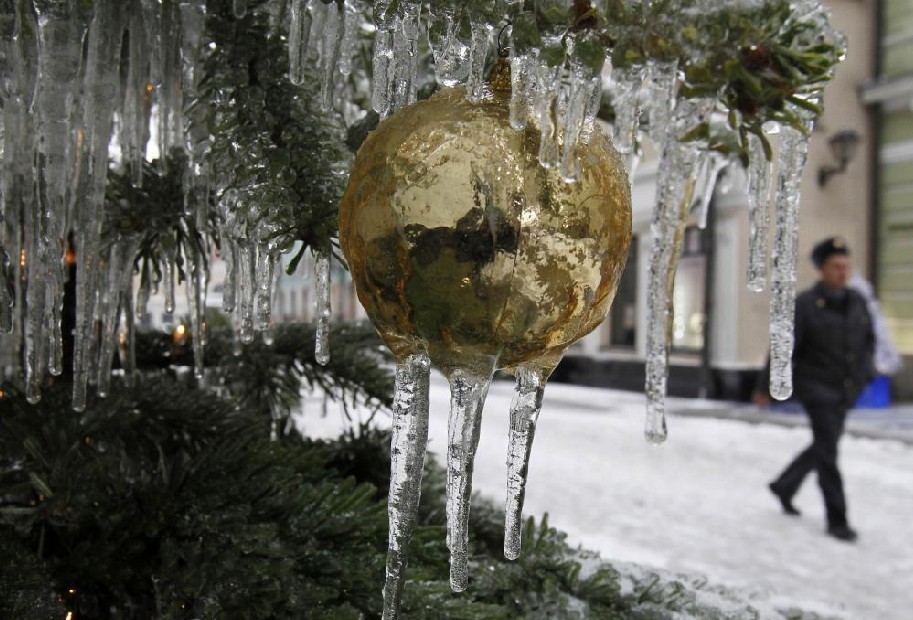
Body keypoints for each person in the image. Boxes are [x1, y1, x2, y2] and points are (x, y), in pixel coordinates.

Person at [753, 237, 875, 542]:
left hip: (847, 390)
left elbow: (868, 343)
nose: (842, 272)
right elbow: (783, 348)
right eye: (836, 266)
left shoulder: (857, 302)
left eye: (846, 266)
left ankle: (784, 485)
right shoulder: (806, 305)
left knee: (824, 445)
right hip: (817, 389)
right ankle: (838, 520)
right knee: (829, 454)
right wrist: (764, 386)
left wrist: (865, 376)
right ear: (822, 269)